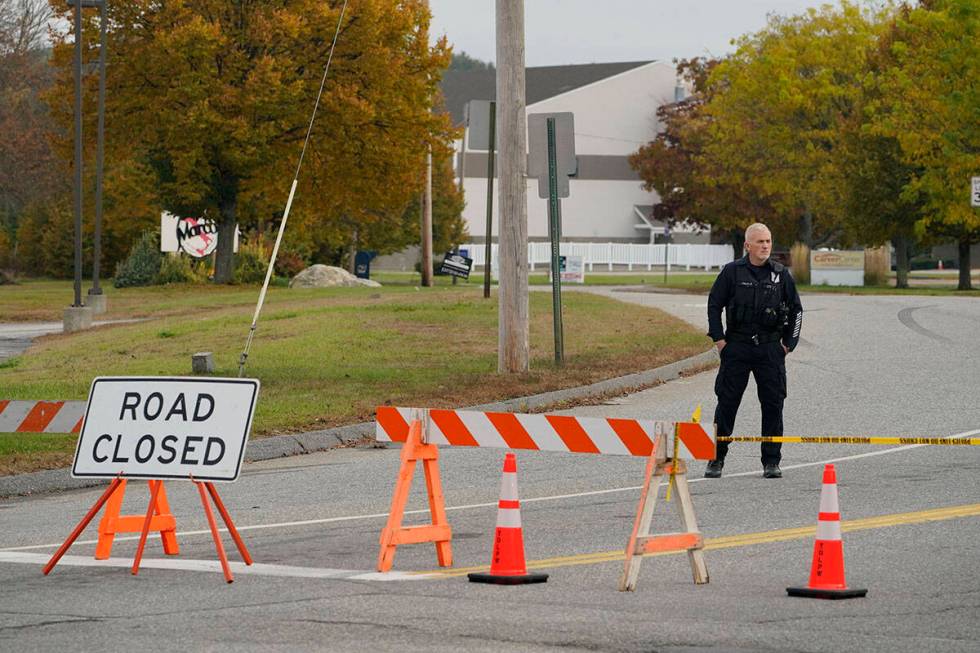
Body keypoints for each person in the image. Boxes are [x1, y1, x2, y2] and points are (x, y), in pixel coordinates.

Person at [705, 223, 803, 479]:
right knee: (726, 403)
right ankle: (716, 458)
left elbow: (796, 311)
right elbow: (714, 304)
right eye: (760, 242)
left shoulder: (781, 275)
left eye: (768, 241)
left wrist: (788, 345)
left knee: (773, 404)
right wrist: (719, 340)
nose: (765, 246)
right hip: (737, 347)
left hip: (770, 349)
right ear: (747, 245)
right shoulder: (732, 272)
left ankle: (771, 461)